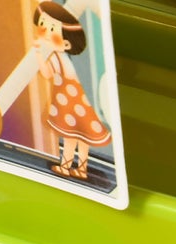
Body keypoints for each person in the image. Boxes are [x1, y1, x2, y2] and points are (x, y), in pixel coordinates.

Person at [32, 2, 112, 179]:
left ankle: (66, 166)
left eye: (51, 29)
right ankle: (81, 169)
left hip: (70, 103)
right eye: (42, 24)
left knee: (72, 137)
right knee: (82, 137)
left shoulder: (57, 58)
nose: (44, 31)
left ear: (67, 44)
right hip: (77, 102)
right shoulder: (61, 58)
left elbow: (47, 73)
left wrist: (38, 55)